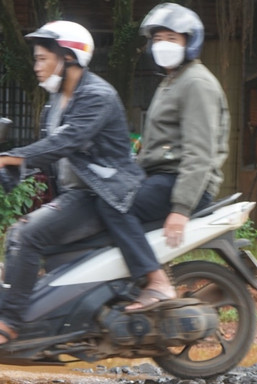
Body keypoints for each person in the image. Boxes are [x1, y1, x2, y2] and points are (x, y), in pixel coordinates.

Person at [0, 21, 144, 345]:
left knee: (25, 234)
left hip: (103, 194)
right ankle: (42, 315)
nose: (36, 67)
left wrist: (8, 157)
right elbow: (47, 159)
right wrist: (4, 171)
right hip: (78, 194)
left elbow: (66, 143)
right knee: (22, 234)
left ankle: (10, 322)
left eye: (42, 59)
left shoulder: (97, 95)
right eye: (36, 59)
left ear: (67, 58)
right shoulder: (54, 104)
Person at [96, 2, 230, 312]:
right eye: (158, 39)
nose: (163, 45)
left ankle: (156, 281)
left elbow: (200, 152)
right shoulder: (172, 80)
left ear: (189, 42)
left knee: (113, 205)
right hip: (164, 177)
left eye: (172, 38)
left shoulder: (195, 83)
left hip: (183, 183)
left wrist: (181, 208)